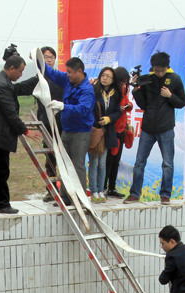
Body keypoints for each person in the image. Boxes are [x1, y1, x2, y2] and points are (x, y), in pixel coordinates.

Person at [0, 52, 39, 214]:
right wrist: (25, 131)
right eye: (20, 71)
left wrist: (39, 77)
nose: (20, 75)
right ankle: (1, 203)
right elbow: (10, 114)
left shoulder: (0, 80)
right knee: (1, 170)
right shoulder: (3, 85)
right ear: (11, 68)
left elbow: (22, 88)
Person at [125, 52, 185, 205]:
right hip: (148, 128)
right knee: (139, 162)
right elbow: (143, 104)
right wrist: (136, 90)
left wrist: (170, 95)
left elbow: (182, 102)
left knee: (167, 163)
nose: (159, 72)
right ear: (152, 67)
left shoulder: (175, 79)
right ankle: (134, 194)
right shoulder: (147, 79)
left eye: (162, 70)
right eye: (156, 69)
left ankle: (165, 195)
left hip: (166, 128)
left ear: (167, 67)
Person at [42, 56, 95, 198]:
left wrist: (64, 106)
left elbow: (84, 109)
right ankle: (65, 196)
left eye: (70, 72)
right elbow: (52, 73)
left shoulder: (87, 90)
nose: (68, 74)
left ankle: (80, 197)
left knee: (77, 166)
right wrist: (38, 59)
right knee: (65, 165)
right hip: (66, 130)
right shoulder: (67, 79)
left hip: (81, 132)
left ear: (79, 72)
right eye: (67, 72)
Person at [87, 67, 121, 202]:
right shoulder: (93, 90)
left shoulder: (116, 93)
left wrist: (109, 119)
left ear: (113, 80)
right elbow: (88, 108)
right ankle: (93, 190)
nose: (105, 78)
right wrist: (96, 122)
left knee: (103, 163)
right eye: (103, 75)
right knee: (94, 162)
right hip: (95, 131)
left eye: (108, 76)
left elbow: (118, 111)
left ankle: (101, 190)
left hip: (107, 131)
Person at [36, 46, 64, 202]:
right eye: (45, 57)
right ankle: (51, 190)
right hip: (47, 123)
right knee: (50, 158)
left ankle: (66, 190)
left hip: (62, 122)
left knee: (65, 157)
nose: (48, 59)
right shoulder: (39, 78)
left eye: (51, 57)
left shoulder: (61, 77)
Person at [105, 66, 133, 198]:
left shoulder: (123, 91)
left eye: (125, 82)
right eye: (121, 81)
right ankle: (103, 187)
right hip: (111, 130)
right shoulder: (112, 92)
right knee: (108, 160)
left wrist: (127, 107)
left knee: (116, 161)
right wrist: (122, 107)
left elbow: (128, 105)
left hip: (121, 130)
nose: (123, 84)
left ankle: (111, 187)